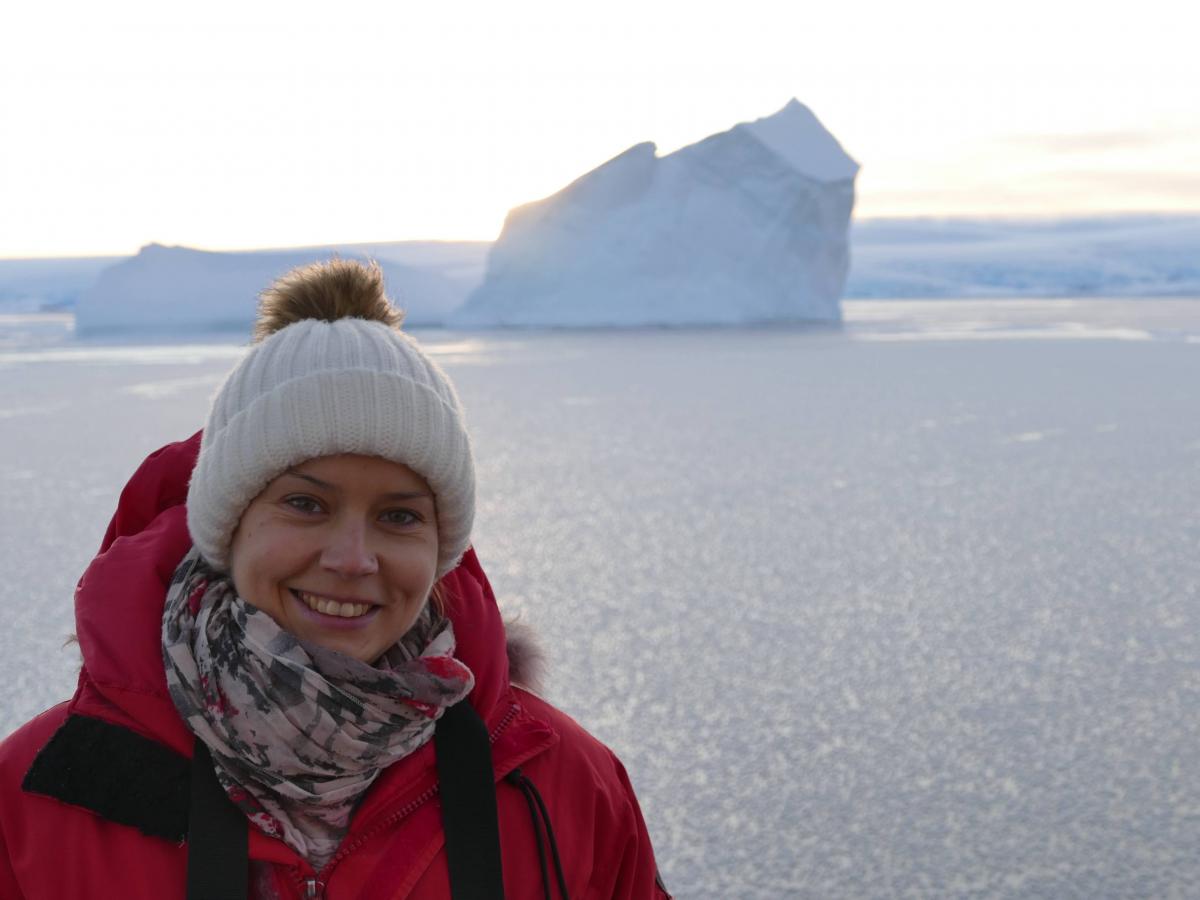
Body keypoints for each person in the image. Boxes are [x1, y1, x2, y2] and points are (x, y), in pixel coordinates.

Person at [0, 260, 670, 899]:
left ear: (441, 546)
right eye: (305, 503)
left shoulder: (562, 786)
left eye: (400, 515)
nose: (353, 559)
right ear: (229, 525)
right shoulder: (39, 799)